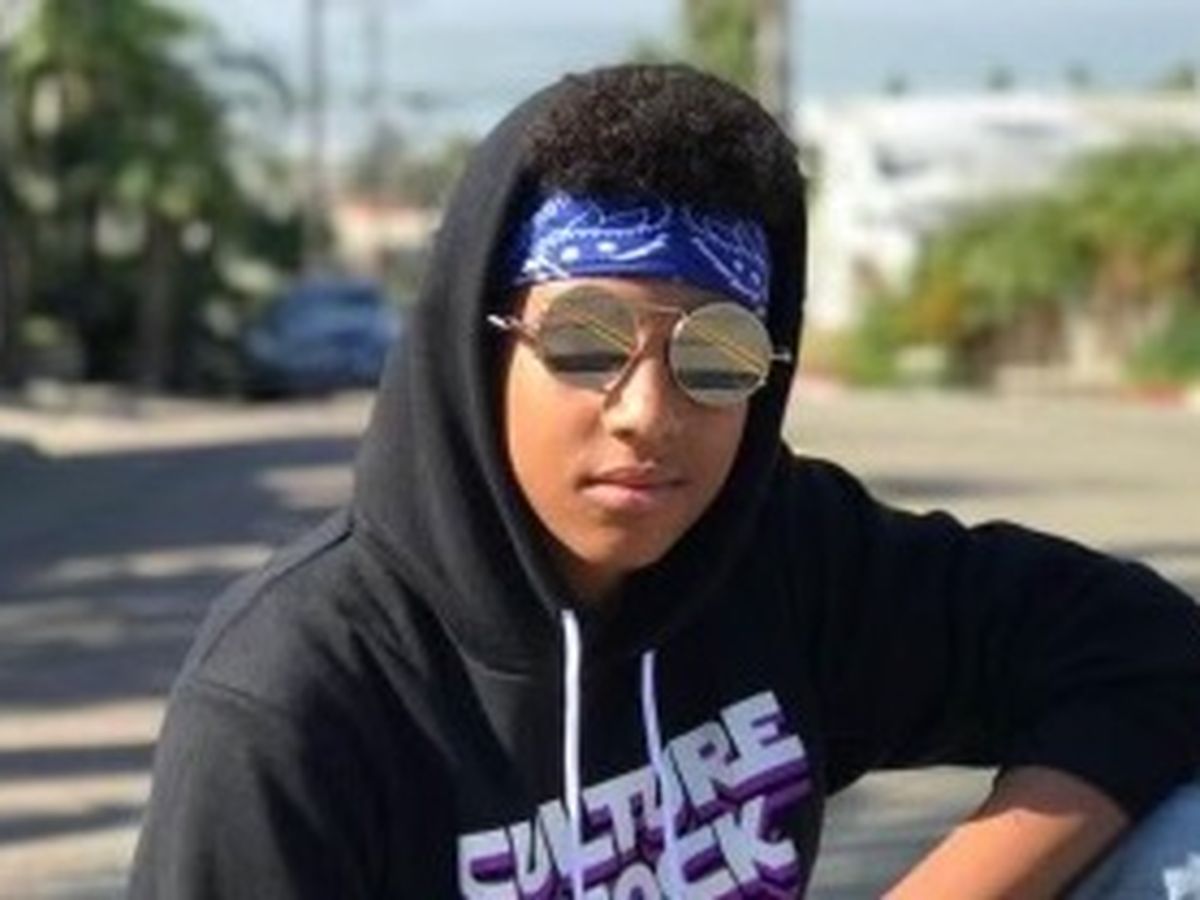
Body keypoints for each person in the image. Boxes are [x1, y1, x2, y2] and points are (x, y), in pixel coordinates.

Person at [129, 64, 1200, 899]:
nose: (648, 411)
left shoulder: (781, 556)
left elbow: (1149, 650)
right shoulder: (295, 701)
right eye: (585, 342)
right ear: (479, 348)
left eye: (717, 355)